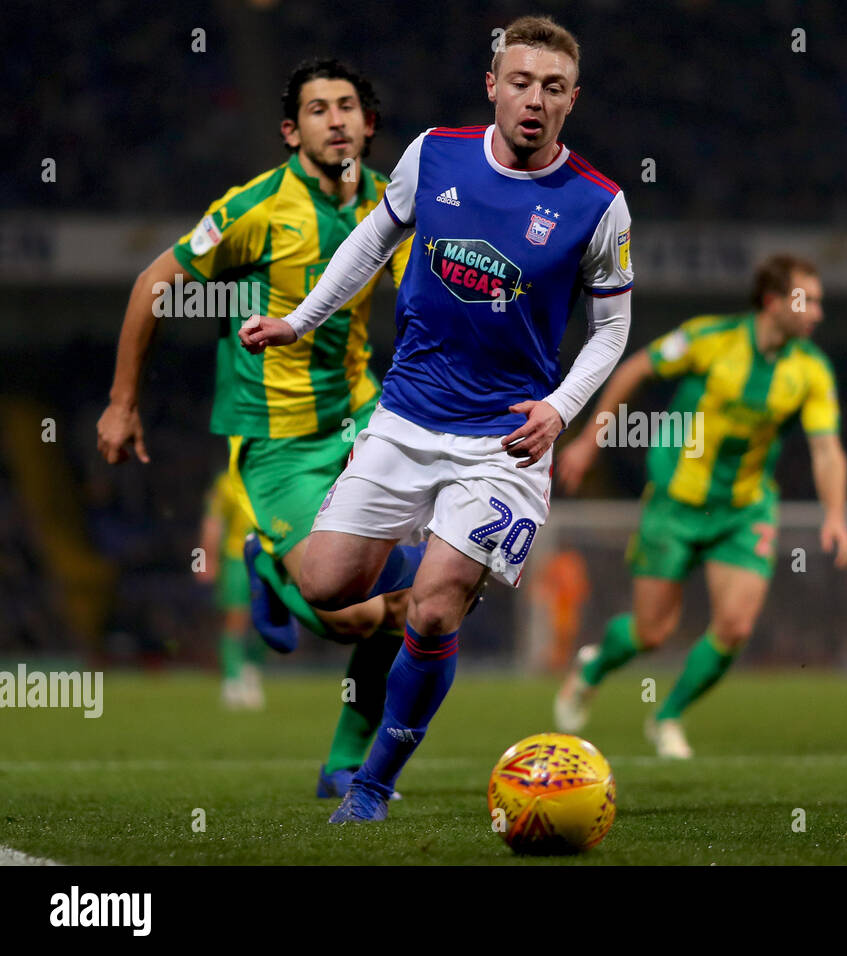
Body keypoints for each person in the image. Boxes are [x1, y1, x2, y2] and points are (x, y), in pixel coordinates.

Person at [239, 16, 634, 823]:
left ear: (572, 101)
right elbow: (373, 242)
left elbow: (613, 328)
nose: (534, 100)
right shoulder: (434, 154)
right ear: (492, 84)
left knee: (432, 607)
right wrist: (303, 320)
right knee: (328, 587)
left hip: (503, 441)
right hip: (407, 416)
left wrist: (560, 410)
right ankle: (280, 561)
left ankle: (374, 783)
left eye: (552, 88)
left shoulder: (599, 204)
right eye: (519, 82)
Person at [96, 58, 415, 797]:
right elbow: (153, 284)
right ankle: (268, 565)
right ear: (289, 131)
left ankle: (344, 765)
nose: (335, 119)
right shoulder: (256, 207)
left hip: (361, 420)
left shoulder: (393, 205)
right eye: (316, 109)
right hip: (277, 441)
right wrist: (121, 402)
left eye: (347, 107)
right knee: (355, 617)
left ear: (369, 124)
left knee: (410, 602)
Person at [553, 254, 847, 757]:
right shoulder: (709, 339)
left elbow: (826, 448)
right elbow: (636, 369)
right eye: (809, 299)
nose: (818, 312)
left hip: (745, 508)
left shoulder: (811, 370)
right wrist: (589, 440)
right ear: (774, 301)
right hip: (676, 502)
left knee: (735, 626)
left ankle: (666, 717)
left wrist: (837, 515)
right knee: (652, 632)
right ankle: (592, 668)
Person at [198, 469, 265, 710]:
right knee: (235, 619)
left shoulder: (273, 476)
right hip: (237, 558)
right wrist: (208, 558)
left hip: (269, 558)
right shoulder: (227, 482)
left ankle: (251, 670)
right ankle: (232, 680)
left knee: (267, 622)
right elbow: (213, 522)